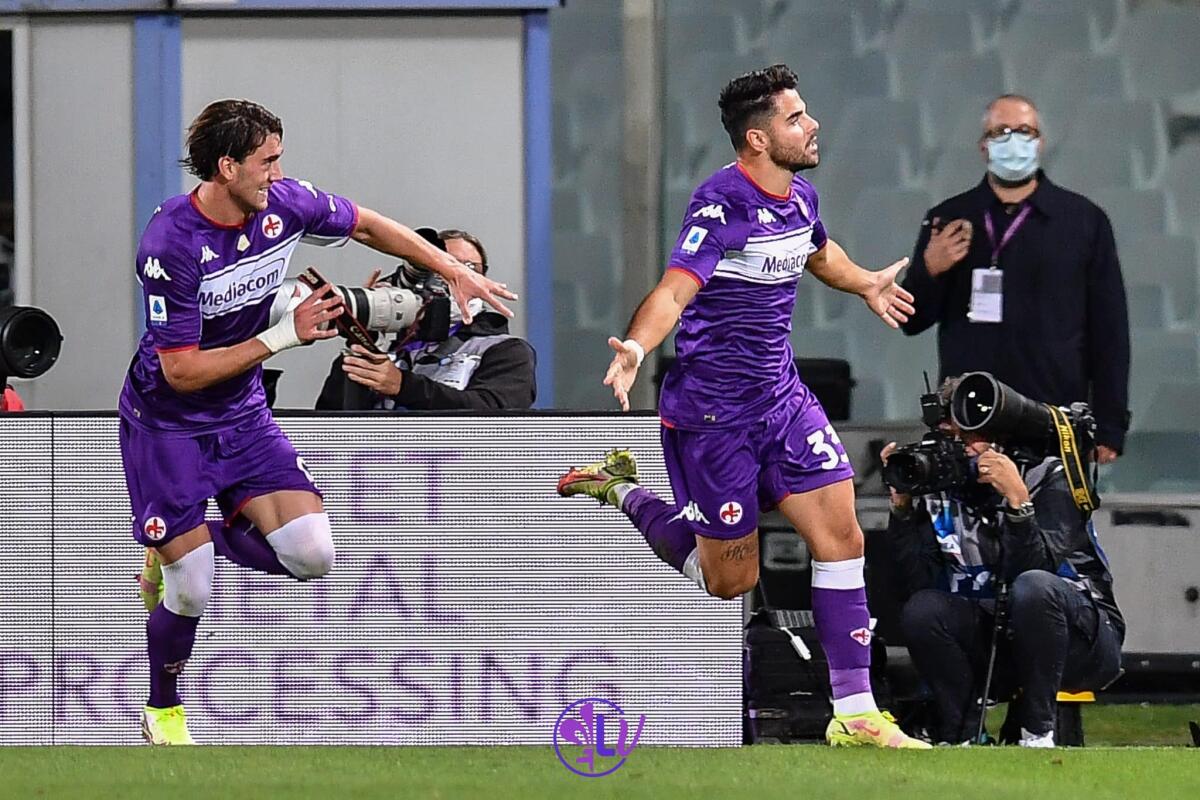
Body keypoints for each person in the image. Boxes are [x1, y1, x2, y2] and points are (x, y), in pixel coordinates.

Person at [121, 99, 516, 745]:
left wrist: (450, 270)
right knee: (193, 593)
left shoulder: (285, 205)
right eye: (266, 162)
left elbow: (366, 224)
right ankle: (164, 709)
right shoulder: (171, 242)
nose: (279, 174)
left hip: (241, 414)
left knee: (312, 556)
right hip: (168, 425)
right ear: (226, 167)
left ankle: (176, 548)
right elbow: (181, 373)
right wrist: (284, 337)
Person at [556, 65, 928, 749]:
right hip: (710, 418)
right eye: (796, 118)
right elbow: (673, 290)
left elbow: (818, 253)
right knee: (730, 583)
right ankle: (625, 491)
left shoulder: (800, 198)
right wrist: (638, 347)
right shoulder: (719, 206)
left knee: (842, 537)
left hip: (781, 401)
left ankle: (857, 715)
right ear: (757, 139)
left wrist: (865, 282)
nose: (811, 125)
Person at [884, 379, 1124, 747]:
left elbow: (1036, 569)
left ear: (999, 439)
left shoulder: (1047, 475)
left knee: (1033, 588)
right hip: (997, 639)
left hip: (1080, 639)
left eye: (966, 441)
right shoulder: (939, 486)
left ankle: (1037, 733)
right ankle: (963, 736)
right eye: (949, 438)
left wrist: (1017, 502)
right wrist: (902, 511)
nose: (958, 451)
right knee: (924, 609)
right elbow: (915, 589)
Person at [899, 94, 1130, 462]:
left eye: (1023, 130)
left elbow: (1110, 331)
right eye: (1000, 131)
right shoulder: (950, 218)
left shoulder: (1083, 220)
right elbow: (911, 321)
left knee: (1054, 520)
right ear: (984, 147)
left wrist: (1110, 425)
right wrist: (930, 268)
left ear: (1039, 142)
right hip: (971, 422)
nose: (1012, 140)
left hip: (1056, 418)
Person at [315, 229, 536, 411]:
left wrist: (402, 385)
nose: (453, 276)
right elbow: (329, 427)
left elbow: (497, 417)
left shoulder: (505, 351)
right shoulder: (387, 345)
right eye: (437, 267)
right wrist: (363, 336)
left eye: (467, 268)